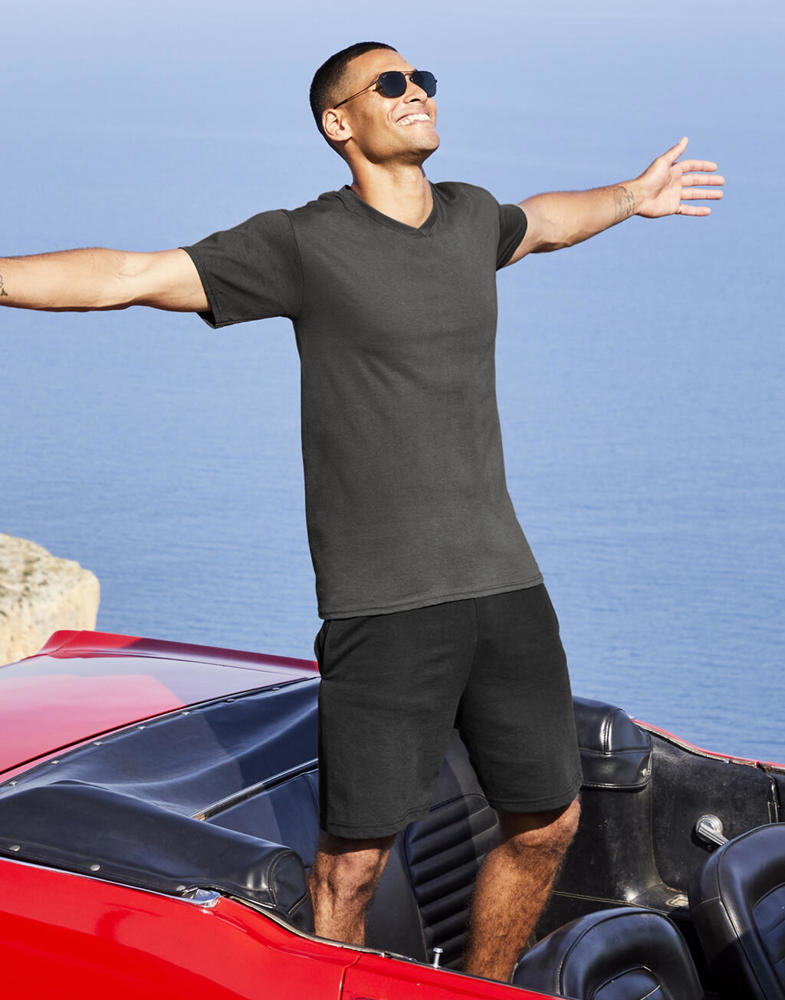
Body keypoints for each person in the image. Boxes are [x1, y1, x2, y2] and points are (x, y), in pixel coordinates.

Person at [0, 40, 723, 983]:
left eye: (423, 80)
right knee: (349, 867)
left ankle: (477, 989)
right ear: (339, 122)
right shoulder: (303, 244)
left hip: (505, 587)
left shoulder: (469, 217)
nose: (416, 92)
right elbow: (129, 276)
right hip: (383, 605)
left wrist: (632, 195)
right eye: (390, 84)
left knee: (548, 822)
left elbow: (545, 222)